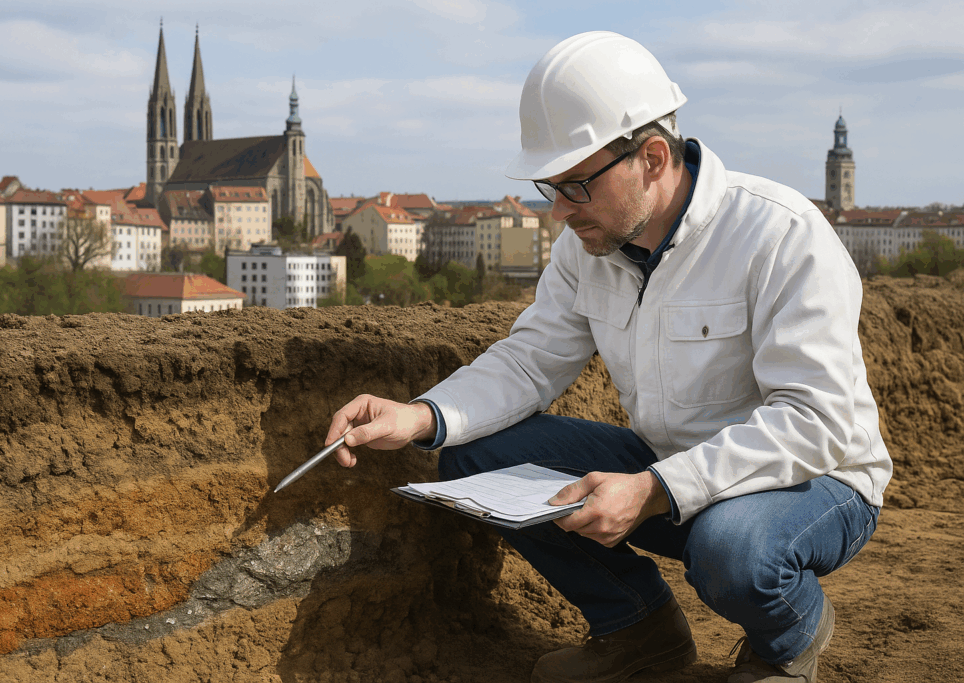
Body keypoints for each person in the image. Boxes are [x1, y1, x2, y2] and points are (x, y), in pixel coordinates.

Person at [325, 31, 892, 683]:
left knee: (733, 548)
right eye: (549, 187)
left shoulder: (780, 236)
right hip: (671, 470)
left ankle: (787, 641)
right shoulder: (588, 246)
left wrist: (653, 489)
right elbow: (531, 360)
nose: (558, 212)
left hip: (813, 482)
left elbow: (814, 421)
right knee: (472, 453)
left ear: (653, 158)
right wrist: (421, 415)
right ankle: (639, 631)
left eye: (575, 187)